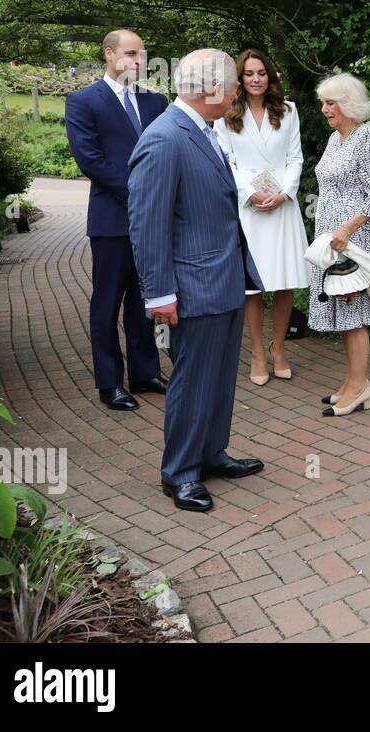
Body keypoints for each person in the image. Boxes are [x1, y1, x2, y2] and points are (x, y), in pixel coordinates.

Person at [127, 49, 265, 512]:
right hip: (191, 286)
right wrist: (159, 293)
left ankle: (211, 453)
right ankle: (180, 473)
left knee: (221, 376)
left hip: (223, 280)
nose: (235, 96)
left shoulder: (202, 130)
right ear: (210, 90)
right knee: (191, 379)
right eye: (231, 88)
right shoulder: (165, 138)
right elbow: (148, 224)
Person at [65, 29, 169, 411]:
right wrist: (141, 193)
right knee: (107, 302)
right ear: (109, 54)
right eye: (130, 53)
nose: (138, 61)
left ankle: (145, 374)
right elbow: (90, 159)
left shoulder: (156, 102)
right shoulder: (83, 101)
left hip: (153, 222)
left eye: (142, 54)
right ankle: (110, 382)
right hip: (112, 220)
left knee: (146, 300)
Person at [215, 48, 310, 385]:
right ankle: (257, 352)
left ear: (270, 77)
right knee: (252, 287)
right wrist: (249, 193)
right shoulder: (225, 114)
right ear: (240, 78)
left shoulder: (288, 111)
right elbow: (226, 162)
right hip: (248, 208)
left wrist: (284, 192)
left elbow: (296, 157)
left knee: (284, 282)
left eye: (261, 73)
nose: (256, 79)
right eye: (249, 74)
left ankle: (279, 348)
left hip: (282, 204)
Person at [309, 73, 370, 417]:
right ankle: (352, 381)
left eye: (331, 103)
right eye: (323, 103)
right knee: (342, 312)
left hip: (353, 239)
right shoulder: (334, 140)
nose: (325, 109)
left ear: (348, 104)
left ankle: (359, 387)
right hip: (332, 237)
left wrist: (346, 229)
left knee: (353, 310)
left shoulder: (368, 138)